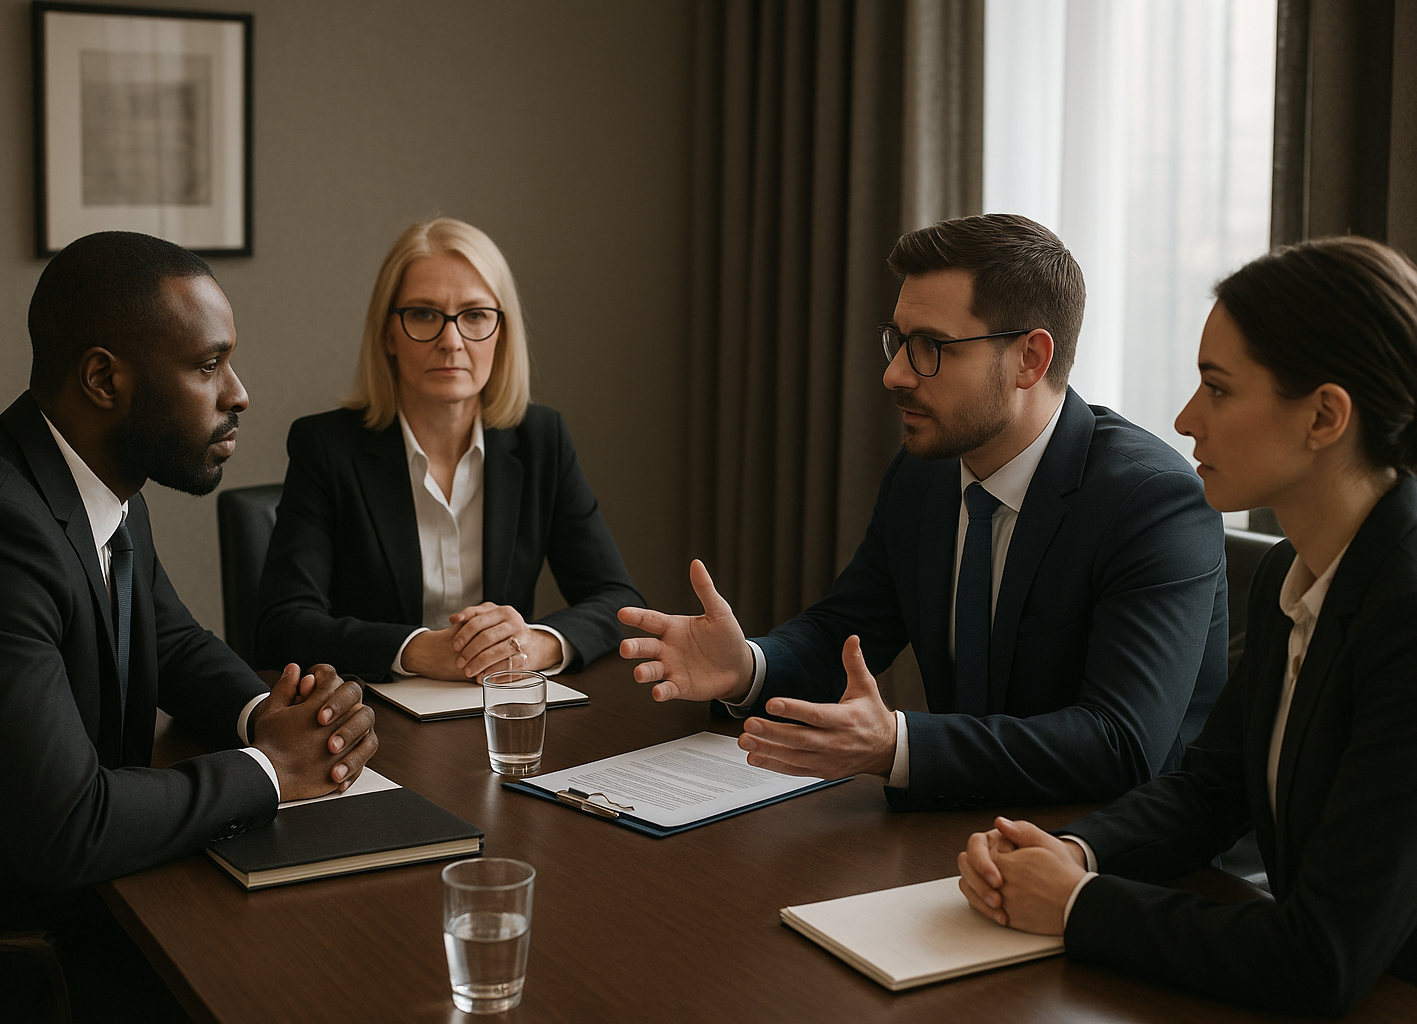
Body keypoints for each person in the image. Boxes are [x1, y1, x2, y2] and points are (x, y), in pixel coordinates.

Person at [0, 233, 377, 970]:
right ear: (104, 381)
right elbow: (67, 828)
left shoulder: (98, 482)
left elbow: (171, 641)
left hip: (82, 900)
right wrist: (273, 768)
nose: (239, 393)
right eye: (208, 366)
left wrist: (270, 713)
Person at [619, 214, 1228, 809]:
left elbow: (1119, 745)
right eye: (898, 342)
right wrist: (747, 667)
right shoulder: (926, 475)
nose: (894, 374)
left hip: (1107, 865)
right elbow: (846, 632)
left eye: (931, 347)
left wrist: (895, 745)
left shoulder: (1151, 502)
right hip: (958, 832)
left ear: (1030, 360)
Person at [955, 236, 1417, 1014]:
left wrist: (1074, 906)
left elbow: (1321, 957)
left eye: (1219, 389)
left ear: (1325, 416)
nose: (1185, 417)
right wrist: (1075, 852)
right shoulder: (1291, 571)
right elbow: (1213, 791)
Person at [254, 218, 642, 683]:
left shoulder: (542, 439)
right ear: (388, 334)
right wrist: (416, 650)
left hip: (503, 709)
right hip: (373, 718)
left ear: (503, 332)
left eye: (475, 315)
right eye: (423, 314)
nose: (451, 341)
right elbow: (282, 625)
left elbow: (619, 601)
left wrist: (531, 644)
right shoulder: (326, 447)